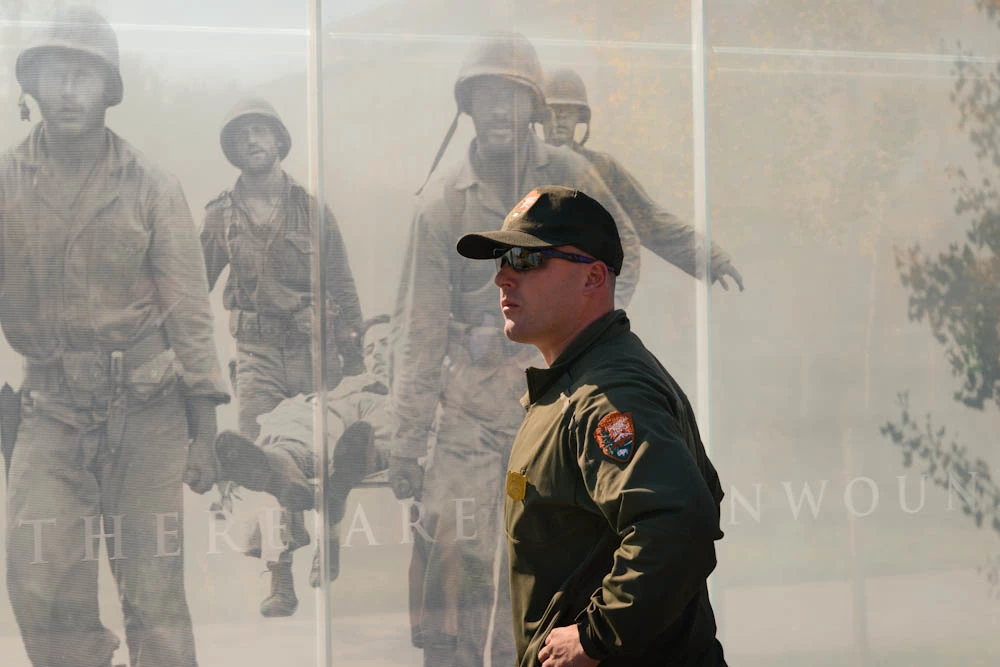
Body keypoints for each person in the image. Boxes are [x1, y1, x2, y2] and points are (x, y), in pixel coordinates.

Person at [390, 32, 642, 667]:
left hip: (556, 403)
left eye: (510, 99)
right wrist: (405, 437)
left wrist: (578, 331)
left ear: (531, 107)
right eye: (484, 98)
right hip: (469, 410)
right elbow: (417, 329)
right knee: (448, 567)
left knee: (551, 572)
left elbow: (624, 255)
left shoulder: (570, 179)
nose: (498, 112)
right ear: (467, 107)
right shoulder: (443, 205)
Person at [1, 7, 229, 667]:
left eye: (84, 74)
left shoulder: (152, 185)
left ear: (109, 88)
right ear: (32, 85)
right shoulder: (6, 184)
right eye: (53, 73)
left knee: (154, 595)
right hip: (47, 411)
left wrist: (205, 433)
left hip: (147, 409)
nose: (68, 89)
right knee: (37, 579)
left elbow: (189, 313)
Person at [456, 185, 728, 667]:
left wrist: (595, 637)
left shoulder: (607, 394)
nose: (502, 277)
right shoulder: (577, 383)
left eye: (525, 258)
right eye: (501, 258)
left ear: (593, 277)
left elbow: (678, 522)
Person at [200, 97, 365, 615]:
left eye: (261, 131)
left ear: (278, 141)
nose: (253, 141)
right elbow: (191, 289)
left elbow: (342, 282)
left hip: (315, 349)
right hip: (257, 355)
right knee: (264, 458)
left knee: (325, 453)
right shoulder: (219, 216)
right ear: (232, 150)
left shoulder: (312, 210)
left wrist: (355, 358)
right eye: (242, 134)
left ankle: (327, 543)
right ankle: (281, 577)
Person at [212, 315, 393, 605]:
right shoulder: (345, 384)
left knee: (360, 437)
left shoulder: (411, 389)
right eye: (370, 349)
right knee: (286, 441)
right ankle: (283, 471)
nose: (378, 354)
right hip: (318, 427)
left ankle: (335, 466)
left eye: (386, 344)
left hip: (359, 428)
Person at [542, 67, 744, 291]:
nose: (559, 119)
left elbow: (649, 220)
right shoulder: (522, 165)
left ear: (580, 118)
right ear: (540, 117)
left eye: (567, 112)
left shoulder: (601, 169)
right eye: (552, 111)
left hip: (586, 285)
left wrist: (710, 258)